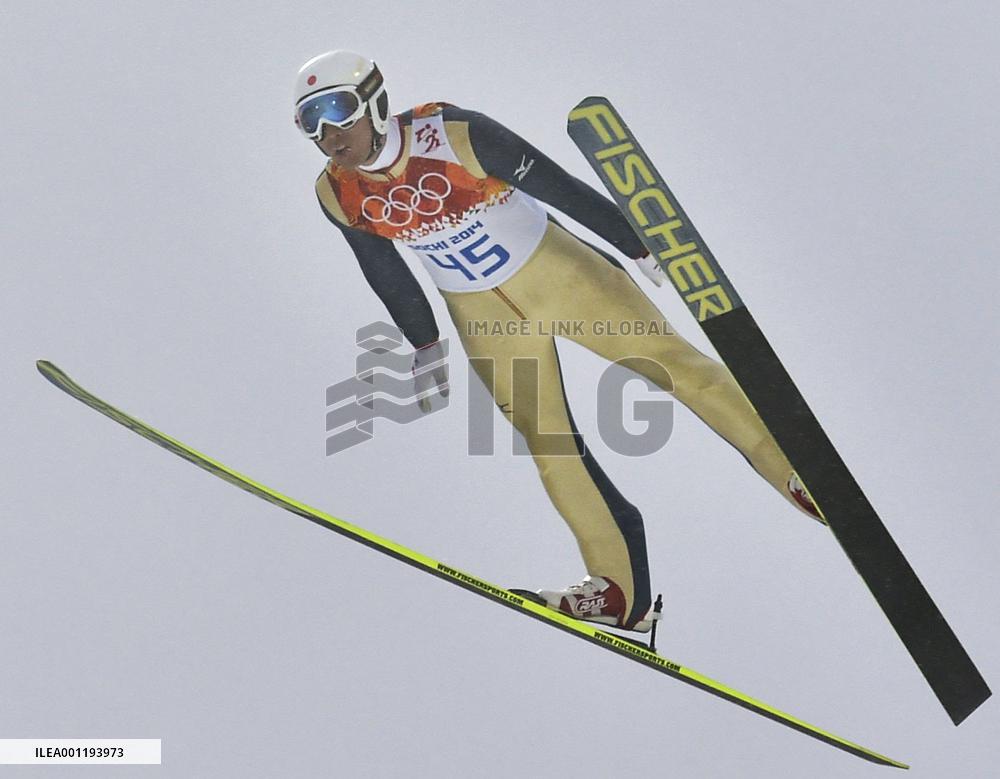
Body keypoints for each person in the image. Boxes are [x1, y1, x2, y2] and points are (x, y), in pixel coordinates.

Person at [294, 50, 823, 633]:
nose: (327, 133)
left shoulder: (453, 133)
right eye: (309, 122)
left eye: (336, 110)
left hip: (561, 274)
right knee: (547, 442)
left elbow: (557, 186)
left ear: (373, 101)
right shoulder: (335, 193)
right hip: (484, 317)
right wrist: (423, 345)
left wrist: (638, 244)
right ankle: (620, 591)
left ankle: (797, 473)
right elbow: (384, 270)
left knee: (674, 367)